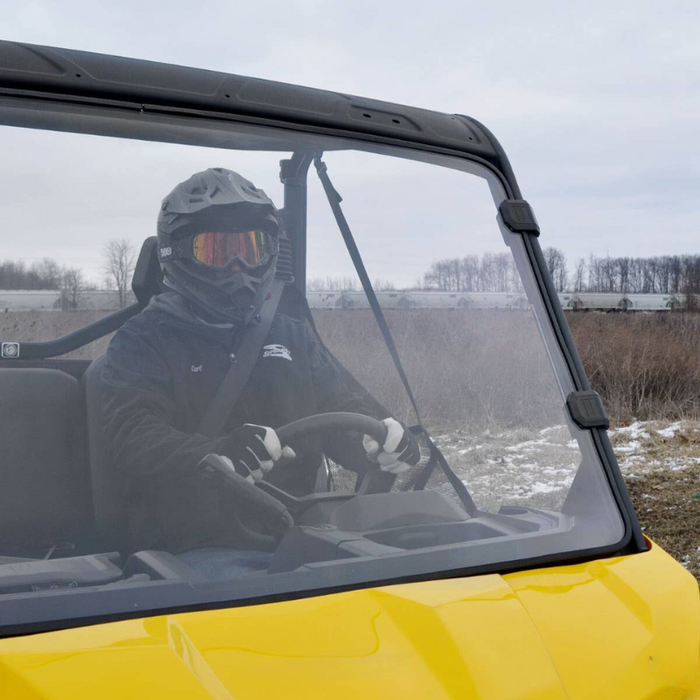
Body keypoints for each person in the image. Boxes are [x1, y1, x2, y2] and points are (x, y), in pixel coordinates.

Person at [102, 167, 420, 579]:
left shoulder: (290, 335)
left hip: (307, 532)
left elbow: (340, 406)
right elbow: (130, 433)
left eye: (250, 250)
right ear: (175, 254)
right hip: (197, 545)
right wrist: (214, 454)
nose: (237, 267)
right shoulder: (143, 340)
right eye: (217, 251)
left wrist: (378, 441)